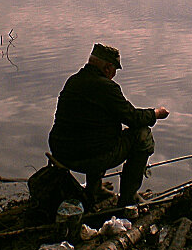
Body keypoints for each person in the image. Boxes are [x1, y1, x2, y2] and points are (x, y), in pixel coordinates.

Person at [48, 43, 169, 210]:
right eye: (114, 70)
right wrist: (155, 113)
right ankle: (128, 199)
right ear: (107, 67)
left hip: (61, 153)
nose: (114, 75)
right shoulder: (107, 87)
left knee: (96, 132)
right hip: (89, 157)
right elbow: (133, 118)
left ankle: (94, 190)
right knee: (142, 135)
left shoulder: (73, 81)